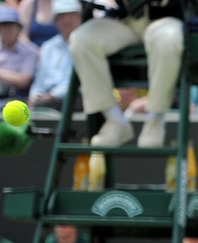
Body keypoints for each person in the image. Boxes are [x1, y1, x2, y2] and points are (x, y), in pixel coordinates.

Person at [68, 0, 184, 148]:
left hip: (165, 18)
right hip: (124, 19)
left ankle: (156, 119)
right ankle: (114, 119)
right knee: (81, 40)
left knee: (168, 38)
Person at [28, 0, 80, 111]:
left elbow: (80, 82)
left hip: (72, 99)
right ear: (56, 20)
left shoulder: (87, 46)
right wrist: (34, 96)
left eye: (71, 15)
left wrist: (52, 95)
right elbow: (39, 79)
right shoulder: (48, 47)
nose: (66, 20)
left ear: (78, 18)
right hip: (44, 100)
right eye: (61, 16)